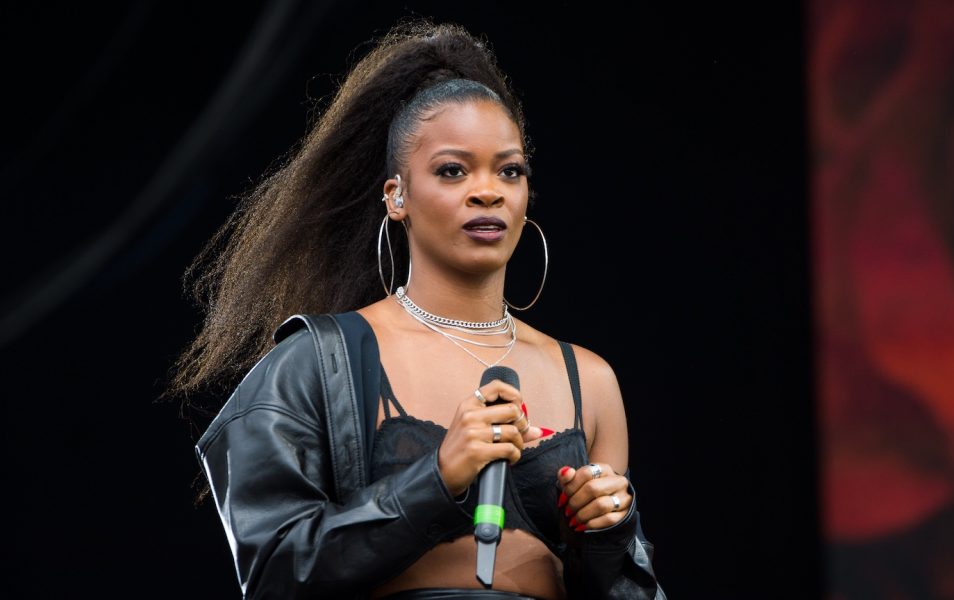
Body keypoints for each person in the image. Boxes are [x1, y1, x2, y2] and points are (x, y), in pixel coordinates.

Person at [168, 19, 663, 600]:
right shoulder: (318, 362)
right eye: (453, 170)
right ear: (396, 195)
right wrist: (438, 477)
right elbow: (273, 571)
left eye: (510, 170)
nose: (489, 191)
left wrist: (605, 536)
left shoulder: (591, 380)